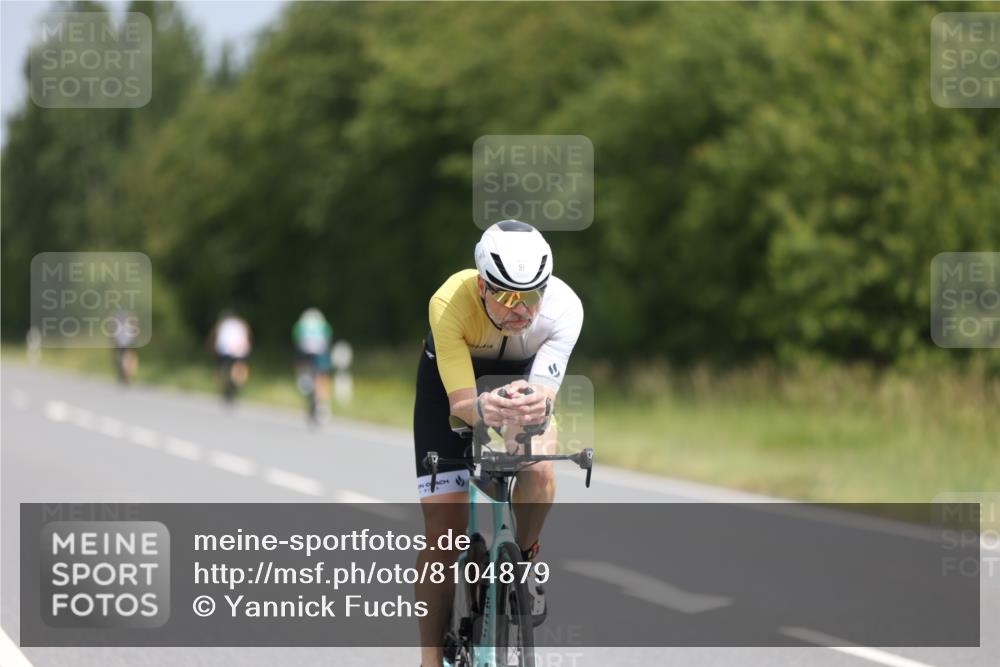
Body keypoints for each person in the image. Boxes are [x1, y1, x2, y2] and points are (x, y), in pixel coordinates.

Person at [413, 220, 583, 665]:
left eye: (532, 296)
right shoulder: (449, 303)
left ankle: (522, 561)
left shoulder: (565, 309)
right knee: (443, 534)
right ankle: (430, 658)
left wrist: (528, 412)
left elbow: (543, 397)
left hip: (519, 379)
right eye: (507, 296)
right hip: (452, 386)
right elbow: (463, 404)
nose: (521, 311)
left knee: (541, 467)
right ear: (483, 287)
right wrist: (484, 410)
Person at [292, 307, 333, 420]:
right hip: (320, 350)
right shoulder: (322, 323)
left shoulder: (302, 323)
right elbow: (328, 336)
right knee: (322, 375)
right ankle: (322, 404)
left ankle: (302, 378)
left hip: (304, 351)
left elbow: (296, 337)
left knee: (300, 362)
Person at [208, 310, 253, 401]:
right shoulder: (242, 323)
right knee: (240, 367)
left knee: (220, 368)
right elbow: (249, 336)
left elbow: (214, 336)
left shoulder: (222, 324)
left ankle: (222, 383)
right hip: (240, 351)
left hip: (225, 351)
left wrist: (211, 346)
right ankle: (238, 382)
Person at [110, 309, 139, 384]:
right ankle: (125, 376)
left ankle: (127, 376)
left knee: (125, 361)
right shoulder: (124, 327)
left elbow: (118, 338)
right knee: (122, 361)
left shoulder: (125, 327)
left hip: (126, 345)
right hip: (124, 345)